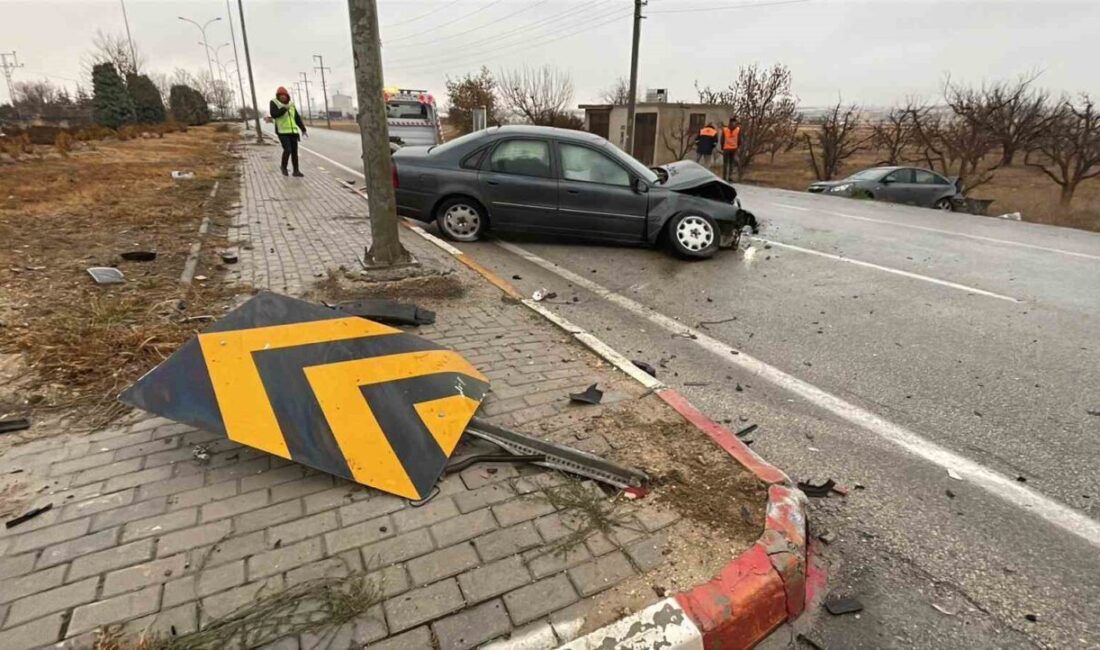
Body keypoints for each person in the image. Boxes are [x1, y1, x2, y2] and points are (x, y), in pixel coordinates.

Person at [270, 86, 307, 177]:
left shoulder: (291, 104)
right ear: (278, 96)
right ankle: (283, 167)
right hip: (282, 131)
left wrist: (303, 129)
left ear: (287, 96)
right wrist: (285, 108)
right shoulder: (274, 102)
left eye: (285, 95)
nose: (283, 97)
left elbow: (297, 118)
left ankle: (296, 171)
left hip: (293, 132)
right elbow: (274, 114)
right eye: (281, 95)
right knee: (288, 150)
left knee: (295, 152)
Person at [721, 117, 741, 182]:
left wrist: (722, 147)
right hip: (734, 149)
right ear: (735, 122)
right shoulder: (738, 129)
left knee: (725, 163)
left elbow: (722, 139)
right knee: (731, 163)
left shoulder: (725, 129)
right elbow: (739, 139)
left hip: (726, 148)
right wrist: (738, 147)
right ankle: (730, 177)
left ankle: (724, 177)